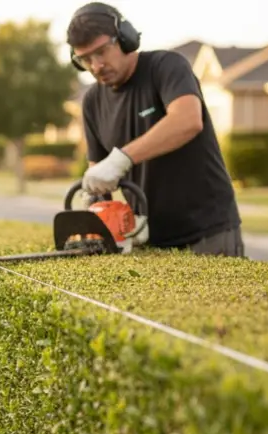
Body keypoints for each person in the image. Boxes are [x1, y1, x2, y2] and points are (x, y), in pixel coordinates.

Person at [68, 2, 245, 256]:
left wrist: (121, 159)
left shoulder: (166, 67)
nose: (96, 66)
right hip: (150, 238)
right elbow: (99, 176)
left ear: (125, 38)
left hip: (207, 232)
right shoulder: (92, 101)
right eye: (85, 59)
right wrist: (105, 223)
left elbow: (188, 120)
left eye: (101, 52)